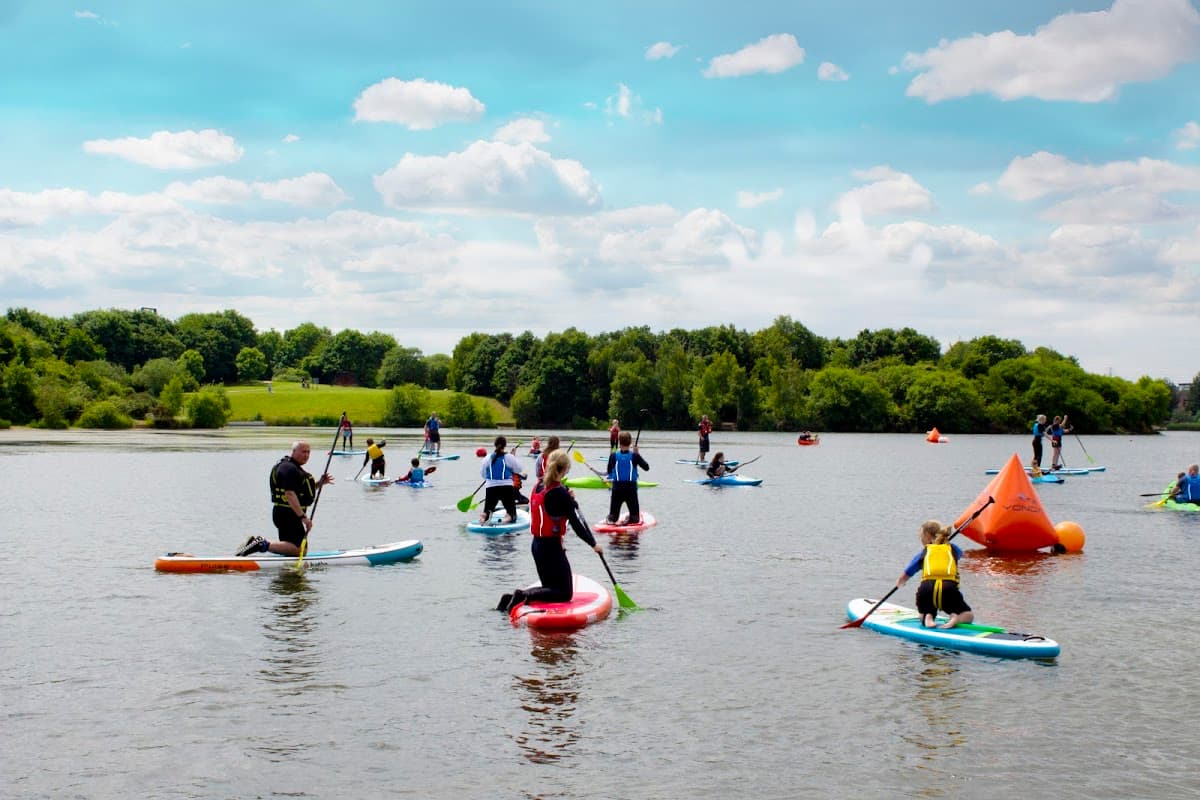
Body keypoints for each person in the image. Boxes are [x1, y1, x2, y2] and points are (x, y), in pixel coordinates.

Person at [498, 450, 603, 612]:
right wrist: (594, 544)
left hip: (537, 546)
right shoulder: (560, 493)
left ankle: (508, 599)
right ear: (564, 469)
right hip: (551, 548)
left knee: (550, 588)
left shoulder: (538, 486)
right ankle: (522, 594)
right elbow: (576, 524)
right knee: (564, 593)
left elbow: (555, 507)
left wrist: (570, 501)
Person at [237, 441, 333, 556]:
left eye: (308, 452)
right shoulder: (289, 468)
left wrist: (319, 483)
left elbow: (299, 492)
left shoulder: (290, 467)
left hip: (285, 513)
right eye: (303, 452)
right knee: (300, 550)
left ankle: (258, 543)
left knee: (290, 546)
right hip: (288, 514)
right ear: (293, 451)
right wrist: (303, 517)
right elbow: (289, 494)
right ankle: (261, 544)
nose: (306, 455)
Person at [895, 520, 974, 629]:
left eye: (921, 537)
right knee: (968, 615)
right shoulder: (953, 548)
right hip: (949, 588)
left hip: (926, 589)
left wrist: (900, 583)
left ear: (927, 536)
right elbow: (960, 555)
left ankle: (928, 617)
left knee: (923, 612)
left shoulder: (924, 552)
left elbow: (907, 573)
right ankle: (955, 617)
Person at [605, 431, 650, 524]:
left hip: (617, 488)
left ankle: (611, 519)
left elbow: (609, 471)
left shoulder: (613, 456)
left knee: (613, 516)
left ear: (619, 442)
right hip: (630, 489)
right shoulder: (634, 456)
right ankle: (631, 518)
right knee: (635, 518)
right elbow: (646, 468)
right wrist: (637, 454)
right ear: (630, 443)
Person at [479, 435, 526, 525]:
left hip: (491, 488)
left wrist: (491, 479)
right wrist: (514, 456)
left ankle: (483, 517)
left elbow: (483, 474)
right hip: (506, 488)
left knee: (487, 511)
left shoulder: (487, 458)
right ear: (505, 445)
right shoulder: (509, 457)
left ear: (495, 445)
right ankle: (506, 519)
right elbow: (518, 469)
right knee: (511, 513)